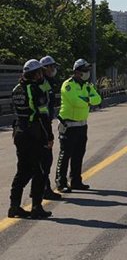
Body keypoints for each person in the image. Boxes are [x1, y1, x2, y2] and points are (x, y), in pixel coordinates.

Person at [8, 59, 53, 219]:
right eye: (40, 71)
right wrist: (49, 136)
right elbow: (43, 115)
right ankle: (36, 207)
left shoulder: (16, 89)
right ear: (35, 74)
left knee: (22, 170)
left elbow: (15, 110)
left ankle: (14, 206)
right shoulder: (36, 90)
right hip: (34, 134)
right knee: (39, 171)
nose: (42, 74)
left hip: (19, 132)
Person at [56, 59, 101, 193]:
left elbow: (98, 99)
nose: (87, 73)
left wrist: (87, 100)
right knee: (65, 154)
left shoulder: (87, 86)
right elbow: (75, 102)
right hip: (68, 125)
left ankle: (76, 180)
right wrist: (88, 101)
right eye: (84, 70)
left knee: (78, 154)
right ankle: (61, 182)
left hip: (82, 125)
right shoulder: (68, 85)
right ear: (77, 72)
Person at [38, 56, 63, 200]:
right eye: (51, 67)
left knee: (45, 159)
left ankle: (42, 188)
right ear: (44, 68)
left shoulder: (48, 83)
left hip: (45, 123)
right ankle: (43, 189)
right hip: (41, 125)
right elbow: (43, 109)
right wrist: (48, 133)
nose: (54, 70)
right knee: (44, 159)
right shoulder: (41, 84)